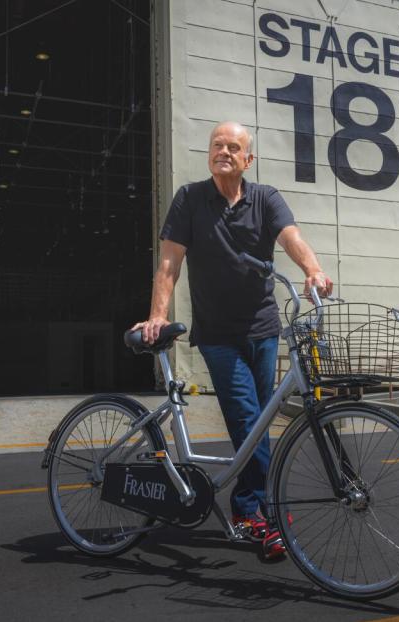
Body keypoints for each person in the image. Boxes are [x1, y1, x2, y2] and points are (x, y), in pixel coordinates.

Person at [131, 121, 332, 560]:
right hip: (218, 333)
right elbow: (169, 261)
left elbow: (291, 237)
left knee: (259, 422)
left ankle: (247, 508)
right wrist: (157, 316)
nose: (223, 151)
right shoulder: (190, 199)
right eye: (217, 145)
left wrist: (312, 270)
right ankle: (261, 512)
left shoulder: (265, 199)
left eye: (233, 146)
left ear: (248, 160)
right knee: (248, 419)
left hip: (262, 328)